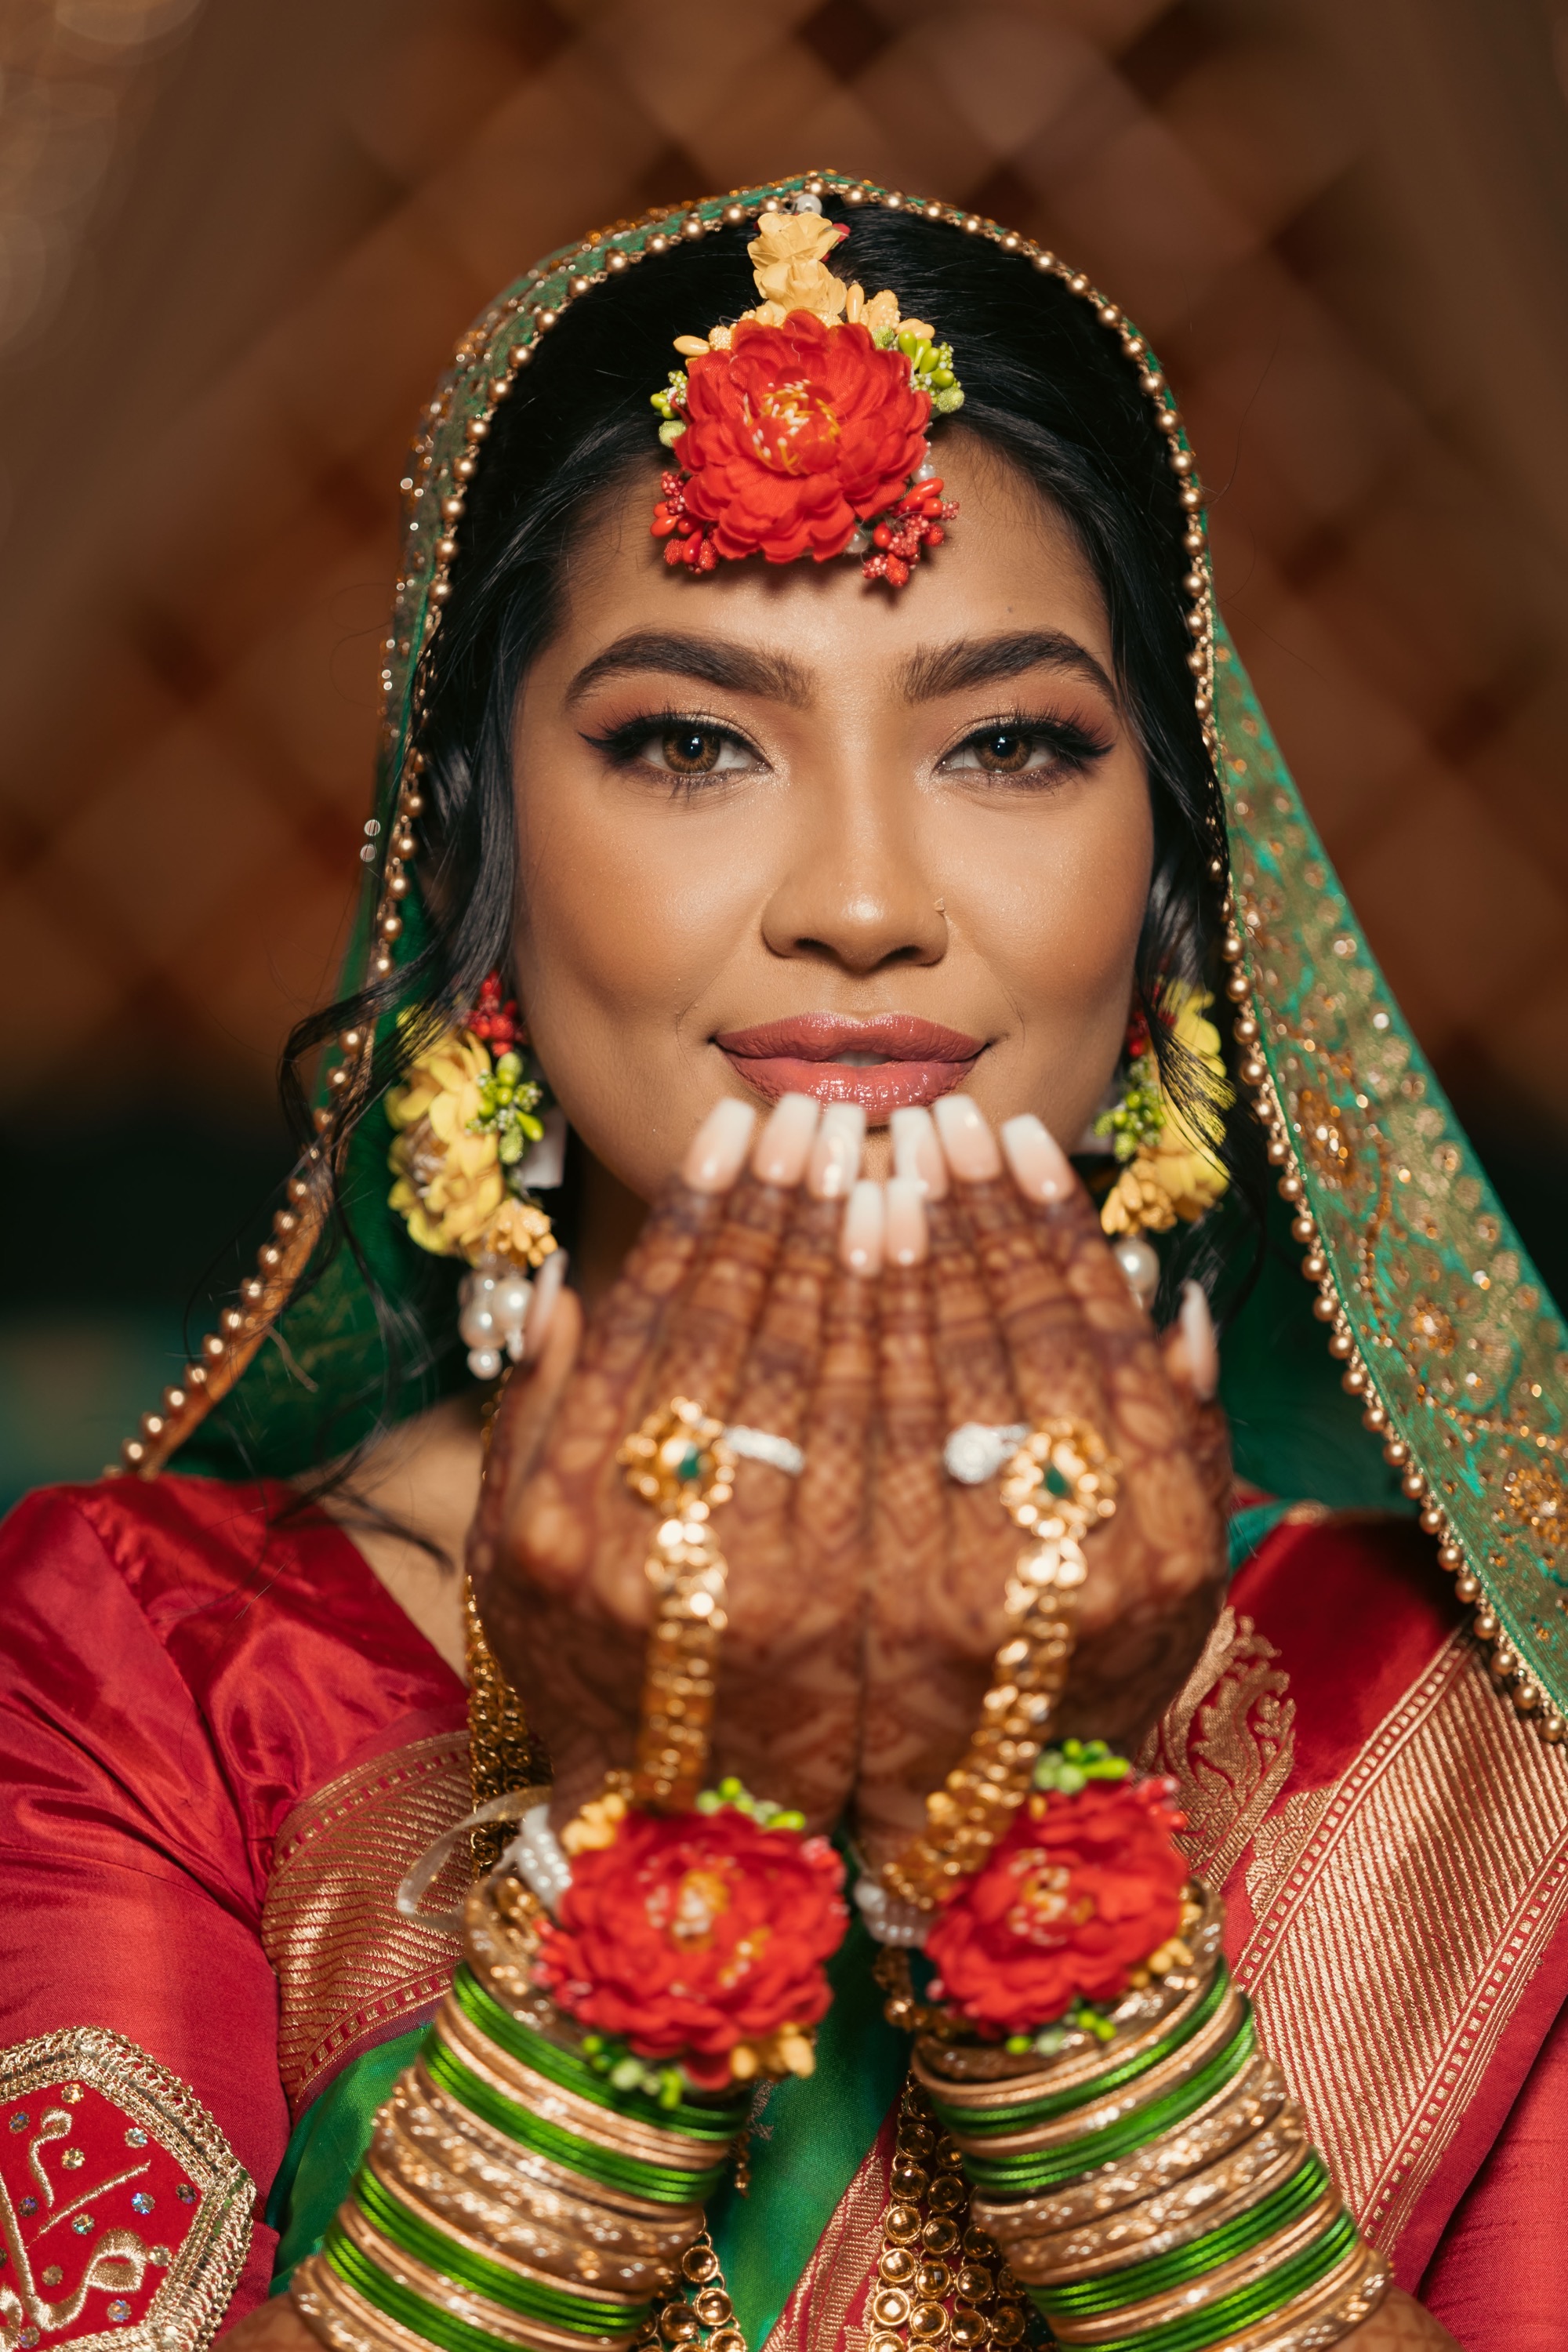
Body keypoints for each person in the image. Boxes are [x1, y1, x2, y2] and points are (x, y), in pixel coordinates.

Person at [1, 172, 1563, 2352]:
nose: (859, 896)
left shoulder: (1491, 1733)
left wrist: (1052, 1923)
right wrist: (643, 1897)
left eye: (1010, 741)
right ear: (480, 863)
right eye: (689, 740)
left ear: (1175, 902)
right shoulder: (150, 1670)